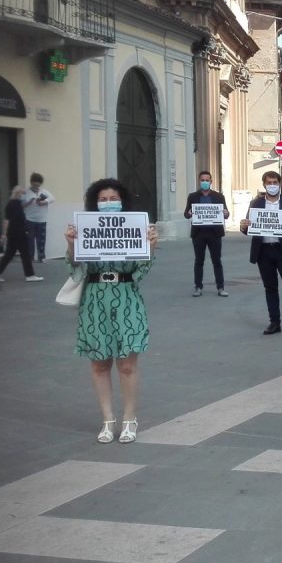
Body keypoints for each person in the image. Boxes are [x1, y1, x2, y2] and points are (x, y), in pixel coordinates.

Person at [64, 178, 159, 444]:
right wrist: (72, 243)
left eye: (113, 199)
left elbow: (142, 271)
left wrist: (150, 247)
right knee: (99, 363)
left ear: (123, 202)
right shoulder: (85, 228)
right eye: (102, 200)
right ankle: (107, 419)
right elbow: (75, 269)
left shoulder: (135, 228)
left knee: (127, 364)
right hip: (94, 299)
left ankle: (130, 418)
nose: (108, 204)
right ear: (94, 203)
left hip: (127, 297)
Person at [239, 171, 282, 336]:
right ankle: (274, 322)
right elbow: (249, 227)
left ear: (280, 184)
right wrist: (244, 226)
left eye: (275, 182)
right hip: (264, 251)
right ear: (264, 184)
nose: (272, 185)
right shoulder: (255, 203)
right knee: (270, 288)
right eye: (269, 183)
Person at [184, 170, 230, 297]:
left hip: (214, 233)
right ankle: (198, 287)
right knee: (199, 261)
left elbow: (226, 213)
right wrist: (189, 213)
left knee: (217, 261)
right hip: (198, 234)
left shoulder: (219, 196)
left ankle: (220, 287)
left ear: (211, 181)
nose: (204, 182)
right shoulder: (193, 196)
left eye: (207, 180)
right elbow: (186, 213)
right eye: (202, 180)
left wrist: (226, 213)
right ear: (199, 181)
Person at [0, 186, 43, 283]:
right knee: (25, 253)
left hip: (13, 232)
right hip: (18, 232)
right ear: (18, 194)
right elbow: (7, 220)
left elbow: (8, 218)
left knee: (9, 254)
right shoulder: (16, 203)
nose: (23, 196)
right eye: (22, 194)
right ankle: (30, 275)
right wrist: (3, 235)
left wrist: (5, 234)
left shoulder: (11, 203)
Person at [21, 172, 54, 263]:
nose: (36, 187)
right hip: (29, 220)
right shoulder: (26, 193)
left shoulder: (44, 192)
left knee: (41, 240)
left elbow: (52, 198)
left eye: (38, 185)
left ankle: (42, 257)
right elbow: (22, 205)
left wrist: (44, 202)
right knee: (30, 240)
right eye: (34, 185)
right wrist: (30, 202)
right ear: (31, 183)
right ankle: (30, 258)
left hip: (42, 220)